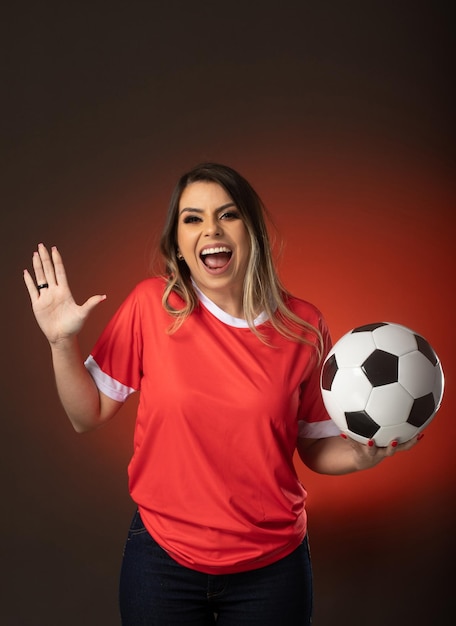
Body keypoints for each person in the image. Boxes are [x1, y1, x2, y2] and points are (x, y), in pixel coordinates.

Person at [24, 163, 420, 626]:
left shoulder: (305, 326)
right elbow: (85, 414)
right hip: (162, 561)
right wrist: (60, 342)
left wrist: (361, 457)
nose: (210, 229)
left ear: (251, 229)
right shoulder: (151, 306)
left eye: (227, 215)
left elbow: (313, 447)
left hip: (272, 566)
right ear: (178, 243)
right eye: (192, 218)